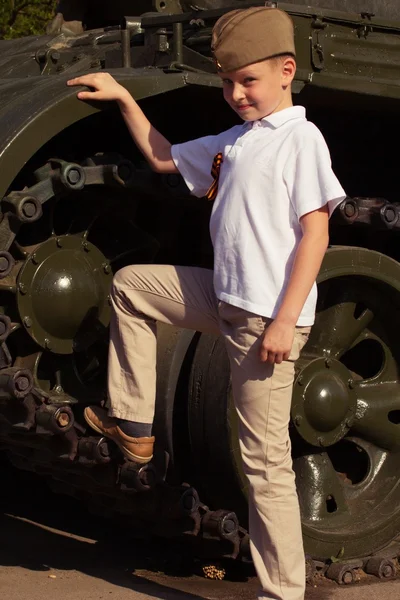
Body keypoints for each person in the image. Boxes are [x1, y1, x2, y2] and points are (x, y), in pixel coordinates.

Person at [67, 7, 346, 600]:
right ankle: (134, 425)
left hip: (264, 319)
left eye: (248, 80)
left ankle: (283, 593)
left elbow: (316, 232)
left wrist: (281, 320)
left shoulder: (300, 138)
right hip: (223, 297)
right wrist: (122, 98)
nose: (236, 93)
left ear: (286, 71)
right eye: (227, 82)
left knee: (263, 464)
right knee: (134, 287)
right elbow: (166, 157)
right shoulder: (238, 141)